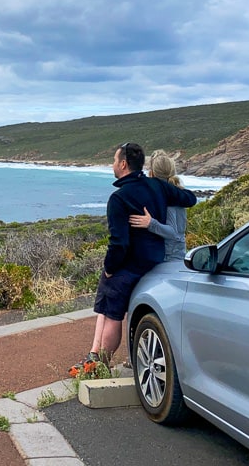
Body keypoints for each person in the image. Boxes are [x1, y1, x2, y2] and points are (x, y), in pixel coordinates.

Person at [70, 143, 196, 377]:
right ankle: (95, 358)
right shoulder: (157, 185)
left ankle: (99, 366)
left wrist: (110, 268)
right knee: (110, 308)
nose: (112, 165)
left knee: (112, 314)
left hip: (130, 265)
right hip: (154, 260)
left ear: (123, 164)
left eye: (114, 161)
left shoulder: (119, 199)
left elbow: (119, 242)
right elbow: (190, 198)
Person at [129, 151, 188, 261]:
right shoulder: (178, 193)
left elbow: (172, 232)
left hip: (169, 259)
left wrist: (150, 223)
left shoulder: (168, 197)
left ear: (152, 173)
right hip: (179, 254)